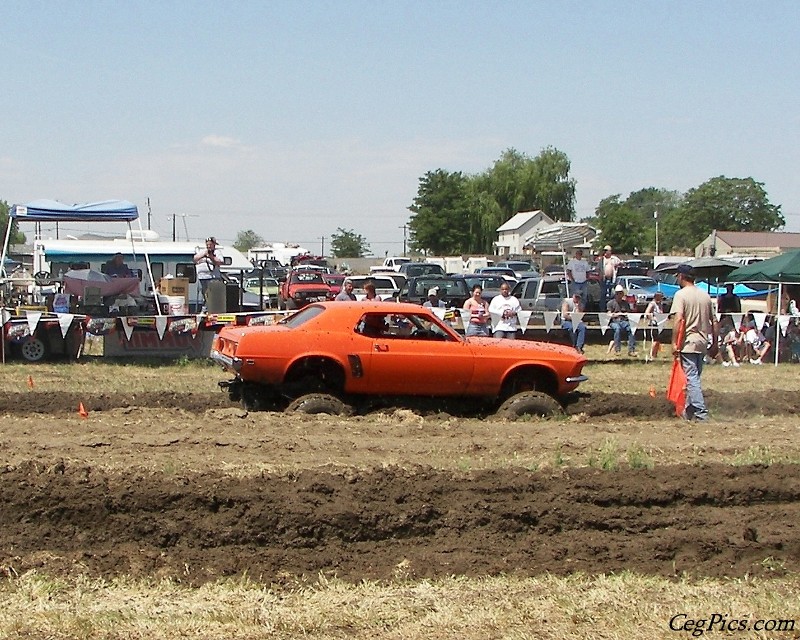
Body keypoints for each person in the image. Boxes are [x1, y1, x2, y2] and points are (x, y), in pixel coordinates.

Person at [671, 263, 719, 421]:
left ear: (681, 276)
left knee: (692, 379)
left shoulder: (681, 295)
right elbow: (715, 322)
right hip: (702, 342)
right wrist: (715, 343)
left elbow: (678, 320)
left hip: (688, 342)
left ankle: (701, 413)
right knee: (695, 378)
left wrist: (674, 343)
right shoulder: (705, 295)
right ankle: (689, 412)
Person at [606, 284, 637, 357]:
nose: (619, 295)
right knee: (617, 329)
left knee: (632, 329)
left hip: (624, 321)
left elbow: (629, 313)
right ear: (615, 294)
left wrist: (626, 314)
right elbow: (608, 314)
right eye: (617, 293)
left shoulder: (625, 303)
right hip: (614, 321)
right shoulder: (610, 303)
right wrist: (616, 314)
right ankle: (617, 350)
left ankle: (631, 350)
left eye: (620, 293)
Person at [193, 236, 224, 308]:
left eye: (210, 244)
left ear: (214, 244)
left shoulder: (217, 252)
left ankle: (211, 308)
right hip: (202, 277)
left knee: (212, 295)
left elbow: (220, 262)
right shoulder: (203, 251)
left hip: (213, 278)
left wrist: (211, 257)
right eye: (207, 244)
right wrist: (203, 254)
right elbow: (195, 259)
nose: (209, 246)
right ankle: (205, 308)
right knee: (204, 294)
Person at [643, 291, 666, 360]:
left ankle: (655, 354)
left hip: (660, 323)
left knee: (658, 340)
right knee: (655, 340)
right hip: (654, 324)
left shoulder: (660, 304)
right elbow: (647, 313)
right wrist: (653, 319)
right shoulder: (652, 304)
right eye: (660, 297)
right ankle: (651, 355)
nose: (661, 298)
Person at [599, 245, 622, 311]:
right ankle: (602, 310)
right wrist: (600, 274)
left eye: (607, 250)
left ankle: (612, 309)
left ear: (610, 251)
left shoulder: (614, 258)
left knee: (612, 294)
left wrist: (617, 266)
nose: (605, 252)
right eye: (604, 250)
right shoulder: (602, 259)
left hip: (612, 279)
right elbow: (598, 268)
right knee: (603, 294)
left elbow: (621, 263)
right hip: (604, 279)